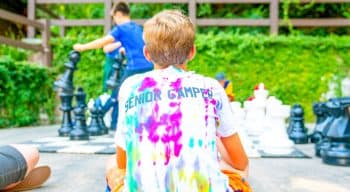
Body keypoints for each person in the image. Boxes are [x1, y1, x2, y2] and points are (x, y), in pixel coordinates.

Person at [107, 10, 251, 192]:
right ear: (192, 52)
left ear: (147, 54)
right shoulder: (212, 88)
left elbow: (123, 162)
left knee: (111, 164)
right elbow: (240, 161)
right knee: (240, 171)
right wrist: (214, 133)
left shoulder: (130, 87)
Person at [73, 1, 153, 130]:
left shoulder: (121, 28)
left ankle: (102, 119)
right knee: (142, 97)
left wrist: (82, 47)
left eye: (114, 17)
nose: (114, 20)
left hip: (134, 68)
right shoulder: (138, 28)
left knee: (117, 93)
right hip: (149, 66)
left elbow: (102, 42)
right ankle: (120, 124)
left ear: (119, 14)